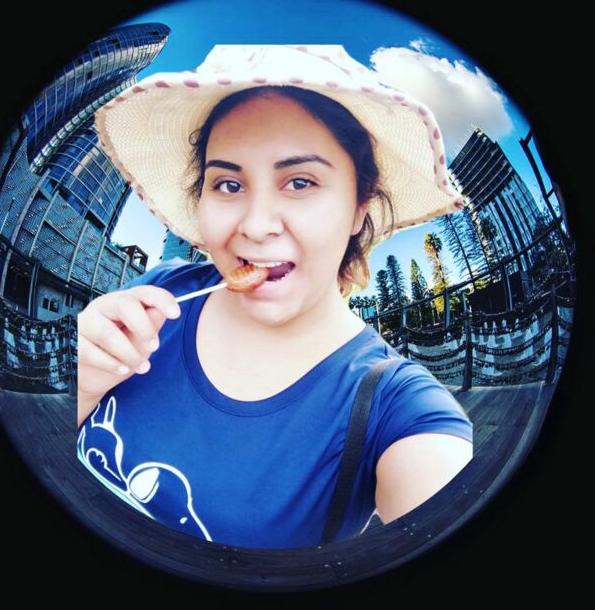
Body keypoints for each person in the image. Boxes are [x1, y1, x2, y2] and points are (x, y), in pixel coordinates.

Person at [76, 45, 473, 550]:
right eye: (228, 184)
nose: (256, 225)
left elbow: (440, 486)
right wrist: (79, 385)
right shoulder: (160, 293)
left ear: (359, 208)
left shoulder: (395, 404)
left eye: (300, 182)